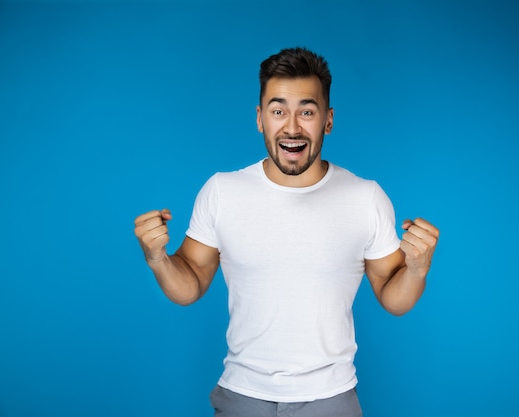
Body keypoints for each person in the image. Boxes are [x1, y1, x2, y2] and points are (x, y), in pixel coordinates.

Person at [134, 47, 439, 417]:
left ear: (328, 120)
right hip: (242, 395)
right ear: (260, 118)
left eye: (306, 112)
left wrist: (418, 268)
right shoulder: (222, 191)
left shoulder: (365, 197)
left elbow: (395, 297)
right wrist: (158, 260)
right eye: (278, 111)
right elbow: (191, 283)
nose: (292, 127)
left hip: (332, 397)